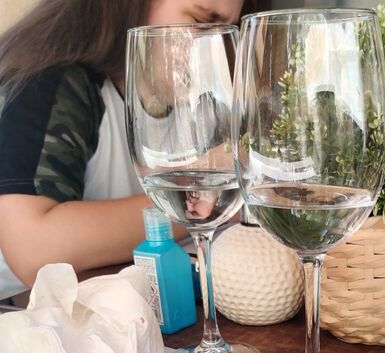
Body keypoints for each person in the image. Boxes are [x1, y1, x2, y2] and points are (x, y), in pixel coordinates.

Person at [0, 0, 246, 301]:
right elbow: (34, 248)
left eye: (224, 31)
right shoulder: (48, 80)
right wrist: (204, 194)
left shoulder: (194, 97)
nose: (210, 52)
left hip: (133, 308)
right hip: (24, 313)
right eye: (199, 22)